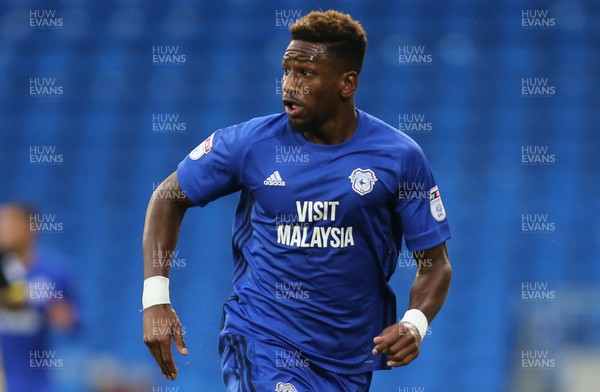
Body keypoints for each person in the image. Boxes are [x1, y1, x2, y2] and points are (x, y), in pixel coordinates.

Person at [142, 10, 452, 392]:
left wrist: (415, 323)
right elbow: (168, 197)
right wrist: (155, 297)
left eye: (305, 73)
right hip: (261, 339)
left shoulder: (399, 158)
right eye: (287, 70)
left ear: (347, 83)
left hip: (347, 362)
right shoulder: (250, 144)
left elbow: (435, 265)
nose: (289, 85)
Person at [0, 203, 78, 392]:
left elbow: (78, 320)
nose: (2, 230)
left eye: (9, 225)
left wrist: (67, 319)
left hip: (37, 382)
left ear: (30, 229)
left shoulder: (57, 271)